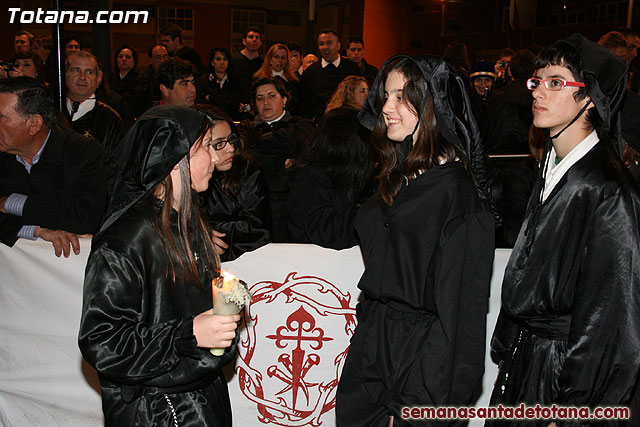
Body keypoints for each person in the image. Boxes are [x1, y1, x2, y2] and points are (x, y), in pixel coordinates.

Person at [335, 54, 495, 426]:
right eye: (385, 96)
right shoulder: (397, 178)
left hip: (418, 367)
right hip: (372, 354)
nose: (386, 108)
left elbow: (460, 320)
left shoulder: (457, 195)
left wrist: (416, 405)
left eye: (400, 97)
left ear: (431, 104)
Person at [489, 34, 640, 425]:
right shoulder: (551, 168)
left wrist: (574, 408)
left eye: (556, 83)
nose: (539, 91)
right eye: (537, 80)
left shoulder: (605, 187)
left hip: (562, 377)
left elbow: (610, 316)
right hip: (529, 362)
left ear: (588, 97)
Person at [78, 105, 240, 426]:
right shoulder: (127, 238)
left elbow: (192, 306)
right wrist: (187, 334)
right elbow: (102, 341)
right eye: (206, 147)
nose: (217, 158)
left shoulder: (186, 223)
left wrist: (231, 298)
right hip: (158, 411)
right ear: (174, 158)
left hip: (201, 399)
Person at [0, 77, 107, 255]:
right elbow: (61, 212)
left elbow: (84, 218)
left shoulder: (84, 153)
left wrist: (10, 202)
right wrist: (37, 231)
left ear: (33, 124)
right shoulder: (5, 155)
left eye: (1, 117)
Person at [238, 78, 315, 242]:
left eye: (272, 96)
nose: (266, 102)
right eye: (260, 98)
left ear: (284, 100)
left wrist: (260, 147)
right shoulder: (246, 128)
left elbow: (307, 154)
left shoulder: (302, 124)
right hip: (259, 203)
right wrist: (282, 157)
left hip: (294, 203)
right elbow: (245, 158)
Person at [287, 106, 374, 249]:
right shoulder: (311, 177)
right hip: (315, 265)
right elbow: (327, 233)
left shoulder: (347, 175)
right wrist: (375, 211)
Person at [196, 105, 270, 261]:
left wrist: (207, 229)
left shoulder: (246, 168)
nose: (230, 148)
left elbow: (257, 228)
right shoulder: (183, 177)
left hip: (244, 260)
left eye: (231, 139)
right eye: (219, 144)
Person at [65, 51, 125, 158]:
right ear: (65, 75)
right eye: (76, 70)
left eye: (89, 72)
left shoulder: (110, 119)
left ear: (98, 78)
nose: (82, 77)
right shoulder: (52, 111)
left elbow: (115, 165)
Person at [300, 29, 362, 119]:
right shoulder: (311, 72)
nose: (325, 47)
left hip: (347, 121)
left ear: (338, 46)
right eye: (321, 44)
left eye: (329, 43)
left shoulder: (352, 69)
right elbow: (304, 102)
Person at [253, 44, 301, 115]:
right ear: (270, 59)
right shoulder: (259, 79)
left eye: (283, 58)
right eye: (276, 57)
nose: (280, 61)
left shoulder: (293, 81)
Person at [109, 45, 147, 117]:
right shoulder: (111, 77)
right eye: (120, 57)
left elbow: (133, 99)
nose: (124, 59)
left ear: (134, 61)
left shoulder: (140, 79)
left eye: (128, 57)